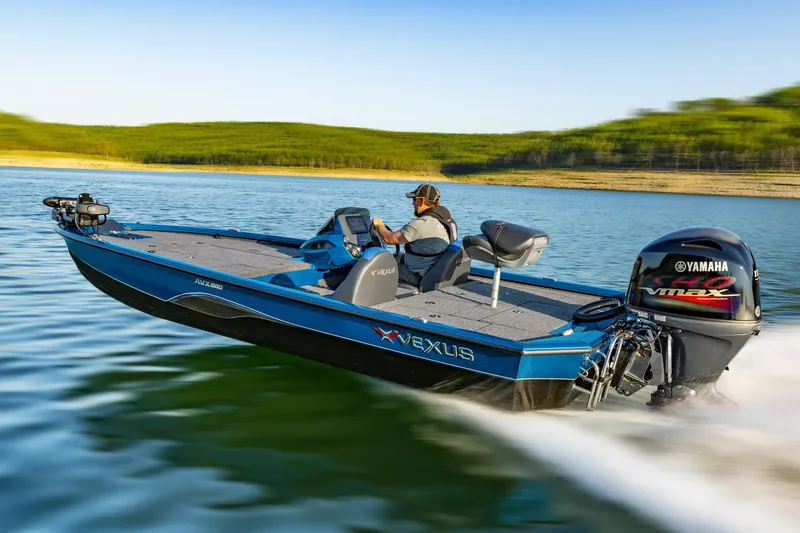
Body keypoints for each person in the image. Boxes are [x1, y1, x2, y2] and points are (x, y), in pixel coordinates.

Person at [371, 183, 457, 286]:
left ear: (422, 201)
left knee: (375, 268)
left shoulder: (422, 223)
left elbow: (388, 238)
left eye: (414, 199)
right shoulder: (447, 220)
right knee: (397, 256)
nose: (413, 203)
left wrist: (379, 224)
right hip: (435, 270)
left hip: (418, 275)